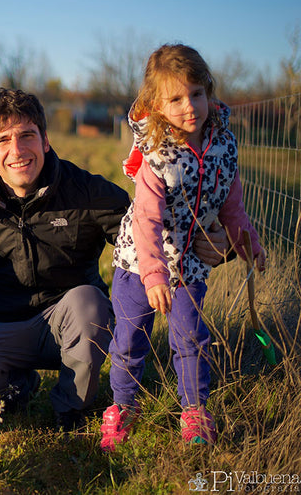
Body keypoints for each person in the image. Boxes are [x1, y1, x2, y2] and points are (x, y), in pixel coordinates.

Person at [0, 87, 232, 431]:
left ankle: (71, 408)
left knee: (88, 301)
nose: (17, 150)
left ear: (45, 139)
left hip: (73, 323)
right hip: (0, 320)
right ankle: (18, 386)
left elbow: (149, 231)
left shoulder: (86, 190)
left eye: (26, 135)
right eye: (3, 140)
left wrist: (217, 242)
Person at [99, 44, 266, 451]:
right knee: (129, 337)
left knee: (190, 337)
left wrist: (249, 243)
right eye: (175, 99)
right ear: (157, 104)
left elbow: (232, 205)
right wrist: (154, 274)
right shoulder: (156, 156)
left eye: (196, 93)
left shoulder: (224, 148)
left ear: (208, 92)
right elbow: (146, 220)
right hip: (139, 262)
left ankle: (193, 412)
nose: (189, 106)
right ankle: (123, 407)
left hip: (188, 262)